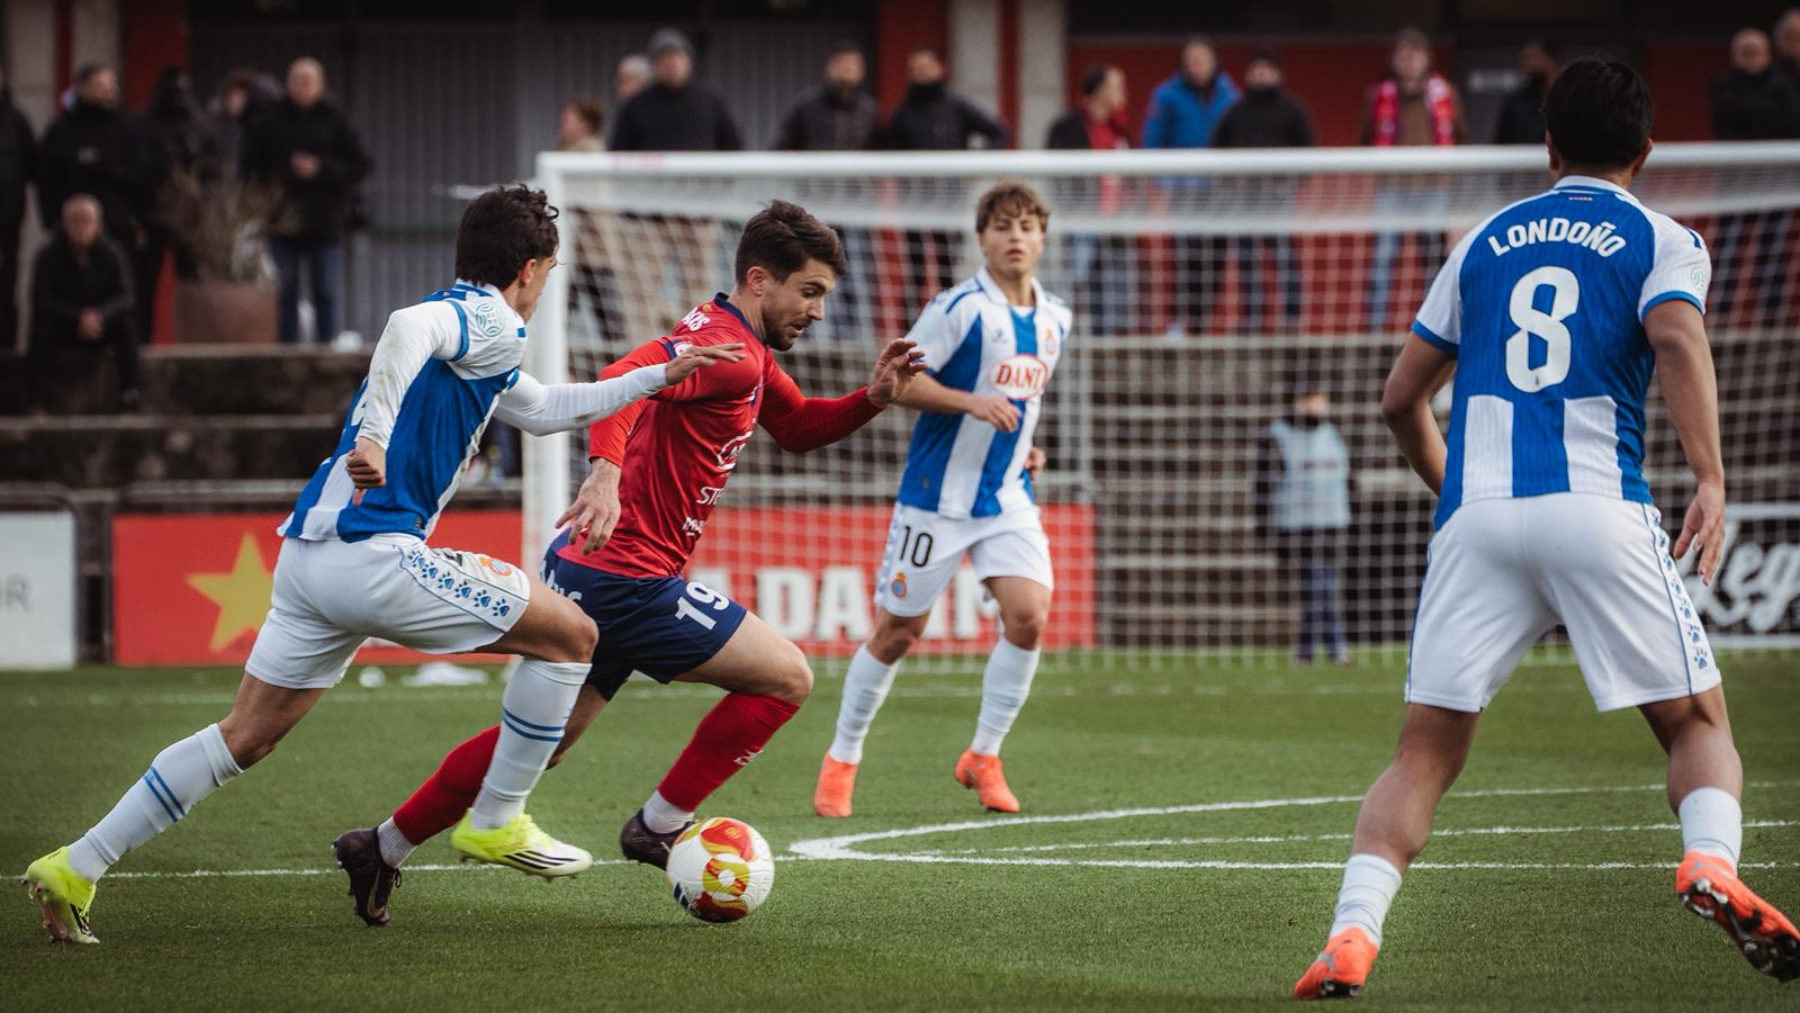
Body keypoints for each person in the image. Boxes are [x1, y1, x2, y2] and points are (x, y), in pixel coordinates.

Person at [19, 184, 741, 944]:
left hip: (308, 560)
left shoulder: (476, 333)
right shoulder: (488, 317)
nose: (545, 289)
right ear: (528, 269)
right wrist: (373, 433)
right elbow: (405, 326)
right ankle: (497, 817)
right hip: (373, 554)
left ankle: (78, 863)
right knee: (572, 633)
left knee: (246, 734)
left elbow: (546, 408)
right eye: (551, 273)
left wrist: (660, 375)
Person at [1292, 58, 1800, 998]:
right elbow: (1678, 338)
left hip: (1477, 519)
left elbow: (1400, 398)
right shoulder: (1660, 236)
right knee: (1695, 720)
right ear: (1646, 150)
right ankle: (1711, 862)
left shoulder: (1481, 240)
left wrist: (1460, 498)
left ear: (1547, 143)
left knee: (1423, 752)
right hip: (1597, 506)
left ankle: (1353, 931)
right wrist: (1712, 477)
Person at [329, 201, 926, 927]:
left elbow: (798, 427)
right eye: (810, 292)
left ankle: (382, 846)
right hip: (626, 576)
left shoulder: (742, 347)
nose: (819, 311)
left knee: (537, 743)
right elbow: (627, 374)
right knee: (786, 677)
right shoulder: (729, 352)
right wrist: (604, 470)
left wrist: (872, 398)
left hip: (594, 569)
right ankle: (661, 822)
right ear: (761, 280)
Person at [817, 182, 1069, 818]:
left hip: (1007, 495)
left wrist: (1025, 450)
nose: (1016, 236)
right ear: (981, 237)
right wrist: (968, 403)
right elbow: (897, 383)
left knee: (1029, 615)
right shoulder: (958, 309)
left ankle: (983, 757)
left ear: (1043, 237)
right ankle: (842, 758)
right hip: (935, 499)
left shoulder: (1055, 318)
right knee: (900, 632)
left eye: (1027, 226)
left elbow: (1024, 400)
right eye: (1003, 225)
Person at [242, 57, 372, 345]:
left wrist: (321, 169)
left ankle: (324, 349)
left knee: (323, 290)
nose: (302, 87)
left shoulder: (335, 120)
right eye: (297, 81)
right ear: (288, 84)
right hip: (282, 220)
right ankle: (286, 351)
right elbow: (250, 169)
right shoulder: (271, 122)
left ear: (320, 84)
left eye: (308, 81)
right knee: (286, 291)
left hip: (324, 220)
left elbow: (360, 165)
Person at [888, 46, 1008, 313]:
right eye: (916, 69)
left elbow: (998, 131)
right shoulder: (902, 113)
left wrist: (974, 163)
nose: (922, 74)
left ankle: (949, 321)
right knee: (915, 269)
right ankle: (909, 331)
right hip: (915, 202)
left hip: (950, 199)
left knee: (946, 267)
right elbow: (890, 153)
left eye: (926, 67)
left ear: (940, 69)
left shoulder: (957, 106)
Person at [1359, 28, 1465, 332]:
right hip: (1391, 189)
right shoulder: (1378, 95)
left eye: (1415, 54)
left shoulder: (1445, 93)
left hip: (1433, 189)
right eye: (1403, 55)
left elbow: (1460, 135)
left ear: (1427, 58)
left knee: (1433, 263)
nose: (1409, 61)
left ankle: (1433, 331)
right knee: (1382, 263)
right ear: (1393, 59)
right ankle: (1375, 331)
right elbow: (1365, 137)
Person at [1141, 37, 1239, 335]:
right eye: (1190, 59)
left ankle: (1201, 324)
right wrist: (1163, 181)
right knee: (1186, 257)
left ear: (1214, 61)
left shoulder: (1230, 94)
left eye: (1201, 58)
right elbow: (1152, 142)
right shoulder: (1167, 96)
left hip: (1221, 193)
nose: (1195, 65)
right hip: (1183, 191)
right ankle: (1179, 322)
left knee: (1215, 260)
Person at [1212, 50, 1313, 333]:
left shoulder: (1293, 110)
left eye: (1266, 70)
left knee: (1283, 257)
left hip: (1279, 198)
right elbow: (1217, 151)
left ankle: (1291, 320)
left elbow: (1307, 152)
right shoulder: (1235, 111)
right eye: (1255, 70)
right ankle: (1253, 319)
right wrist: (1229, 186)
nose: (1260, 75)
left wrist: (1291, 183)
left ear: (1277, 74)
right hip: (1243, 200)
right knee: (1247, 262)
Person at [1254, 377, 1351, 666]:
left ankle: (1309, 651)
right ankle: (1333, 647)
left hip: (1331, 523)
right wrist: (1264, 528)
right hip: (1296, 527)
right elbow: (1262, 486)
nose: (1320, 404)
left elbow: (1348, 479)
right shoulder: (1277, 436)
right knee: (1320, 586)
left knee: (1322, 587)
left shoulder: (1333, 434)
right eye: (1313, 398)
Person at [1708, 28, 1800, 326]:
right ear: (1734, 57)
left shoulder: (1785, 86)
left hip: (1773, 182)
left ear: (1768, 54)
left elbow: (1788, 122)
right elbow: (1726, 121)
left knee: (1772, 251)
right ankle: (1720, 313)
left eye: (1755, 52)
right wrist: (1764, 116)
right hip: (1733, 182)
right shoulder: (1723, 85)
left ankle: (1773, 317)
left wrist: (1754, 117)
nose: (1750, 59)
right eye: (1744, 53)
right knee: (1728, 250)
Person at [25, 195, 137, 409]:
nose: (81, 227)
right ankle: (37, 398)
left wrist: (100, 316)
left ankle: (130, 391)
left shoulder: (112, 254)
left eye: (86, 220)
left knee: (125, 326)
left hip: (100, 326)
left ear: (98, 225)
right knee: (41, 328)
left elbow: (125, 297)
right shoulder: (48, 255)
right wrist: (77, 317)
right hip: (65, 325)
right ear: (64, 224)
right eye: (75, 220)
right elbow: (42, 299)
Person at [1045, 64, 1132, 335]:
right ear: (1100, 91)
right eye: (1116, 86)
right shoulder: (1067, 126)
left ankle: (1104, 340)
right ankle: (1059, 336)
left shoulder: (1119, 129)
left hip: (1115, 219)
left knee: (1113, 284)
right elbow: (1058, 172)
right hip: (1082, 217)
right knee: (1074, 280)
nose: (1122, 93)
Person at [134, 67, 218, 342]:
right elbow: (134, 170)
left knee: (194, 285)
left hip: (191, 218)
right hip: (152, 214)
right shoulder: (144, 125)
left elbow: (215, 170)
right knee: (145, 284)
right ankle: (142, 342)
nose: (178, 96)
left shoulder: (199, 124)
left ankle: (196, 341)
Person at [36, 65, 139, 255]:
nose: (108, 90)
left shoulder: (125, 128)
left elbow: (139, 174)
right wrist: (50, 218)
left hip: (117, 224)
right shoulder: (61, 130)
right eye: (100, 85)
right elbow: (45, 176)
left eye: (111, 85)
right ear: (81, 88)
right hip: (69, 227)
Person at [609, 28, 743, 152]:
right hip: (652, 177)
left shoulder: (710, 102)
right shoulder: (637, 106)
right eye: (664, 58)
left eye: (677, 57)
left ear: (689, 61)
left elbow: (733, 145)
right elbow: (619, 151)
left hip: (700, 176)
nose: (671, 64)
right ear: (653, 65)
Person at [774, 40, 883, 152]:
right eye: (841, 63)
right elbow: (783, 148)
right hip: (815, 168)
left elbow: (882, 153)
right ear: (829, 67)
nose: (847, 69)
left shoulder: (870, 112)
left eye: (853, 64)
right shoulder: (806, 108)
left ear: (862, 70)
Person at [0, 64, 34, 353]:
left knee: (6, 288)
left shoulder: (15, 121)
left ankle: (7, 348)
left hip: (7, 222)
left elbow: (35, 169)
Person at [1493, 40, 1558, 145]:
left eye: (1533, 58)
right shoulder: (1514, 102)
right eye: (1524, 60)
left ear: (1551, 60)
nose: (1527, 64)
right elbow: (1500, 143)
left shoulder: (1569, 99)